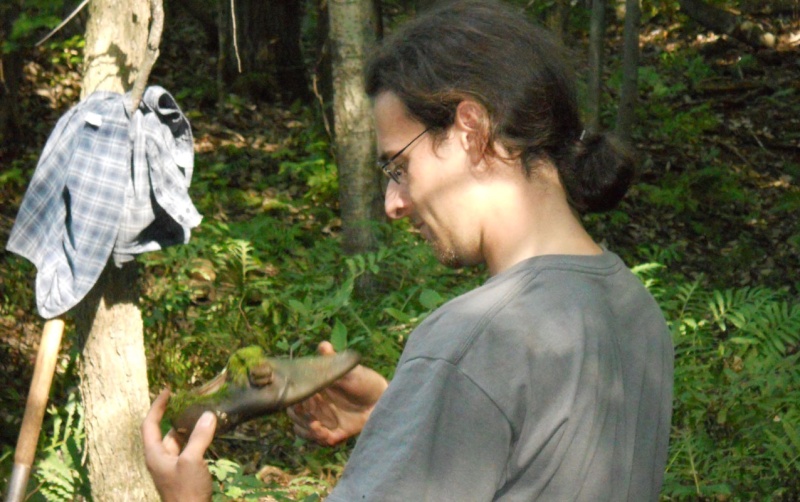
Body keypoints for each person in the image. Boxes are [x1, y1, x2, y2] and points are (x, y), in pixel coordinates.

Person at [142, 1, 674, 500]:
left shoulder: (473, 341)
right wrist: (397, 417)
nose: (393, 204)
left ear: (471, 130)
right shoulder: (635, 309)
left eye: (399, 167)